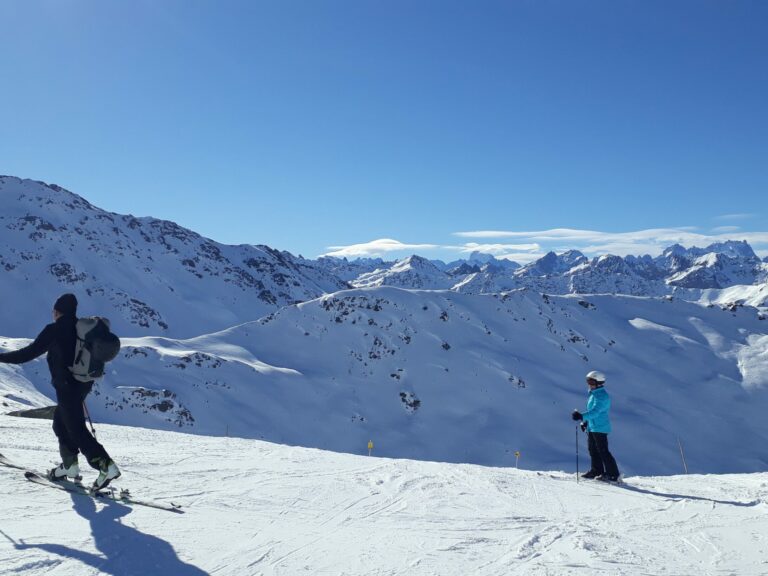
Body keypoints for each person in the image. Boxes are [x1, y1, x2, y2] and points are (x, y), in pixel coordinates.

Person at [0, 293, 120, 490]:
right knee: (60, 423)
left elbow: (27, 354)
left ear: (56, 311)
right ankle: (69, 466)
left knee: (76, 428)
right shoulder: (80, 328)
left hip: (67, 386)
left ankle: (106, 466)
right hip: (83, 384)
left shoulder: (54, 330)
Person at [571, 370, 620, 482]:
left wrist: (581, 416)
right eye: (588, 381)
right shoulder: (594, 394)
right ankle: (597, 470)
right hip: (593, 426)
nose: (589, 384)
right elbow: (592, 412)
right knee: (593, 450)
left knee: (603, 451)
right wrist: (586, 422)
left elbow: (595, 411)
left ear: (599, 382)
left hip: (600, 427)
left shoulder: (602, 396)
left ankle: (613, 475)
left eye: (592, 381)